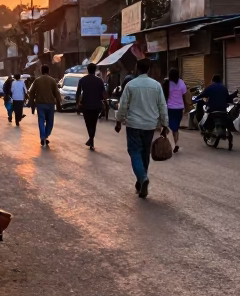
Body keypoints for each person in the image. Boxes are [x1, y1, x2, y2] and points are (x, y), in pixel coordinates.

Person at [114, 58, 168, 198]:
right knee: (145, 153)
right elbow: (162, 106)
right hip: (150, 125)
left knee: (134, 152)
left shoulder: (131, 85)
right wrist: (165, 124)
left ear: (137, 68)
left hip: (133, 125)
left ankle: (142, 178)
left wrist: (119, 121)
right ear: (149, 69)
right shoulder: (156, 86)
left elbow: (123, 105)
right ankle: (141, 180)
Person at [27, 65, 63, 146]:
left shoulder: (37, 80)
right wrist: (59, 102)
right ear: (48, 71)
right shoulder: (52, 80)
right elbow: (57, 93)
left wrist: (31, 101)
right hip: (50, 104)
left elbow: (31, 91)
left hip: (40, 104)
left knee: (41, 120)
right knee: (50, 121)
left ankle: (42, 136)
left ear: (41, 71)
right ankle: (46, 135)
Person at [76, 63, 107, 149]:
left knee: (88, 123)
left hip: (86, 105)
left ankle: (91, 139)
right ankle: (91, 140)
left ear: (87, 69)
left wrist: (77, 103)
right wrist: (106, 103)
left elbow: (78, 93)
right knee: (94, 123)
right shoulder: (99, 81)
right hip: (97, 105)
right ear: (95, 70)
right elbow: (103, 94)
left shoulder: (82, 80)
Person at [165, 67, 188, 151]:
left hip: (170, 108)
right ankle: (175, 143)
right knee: (176, 127)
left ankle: (173, 144)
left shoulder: (167, 83)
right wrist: (186, 107)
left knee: (169, 127)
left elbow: (164, 96)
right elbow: (185, 96)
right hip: (179, 108)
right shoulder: (182, 83)